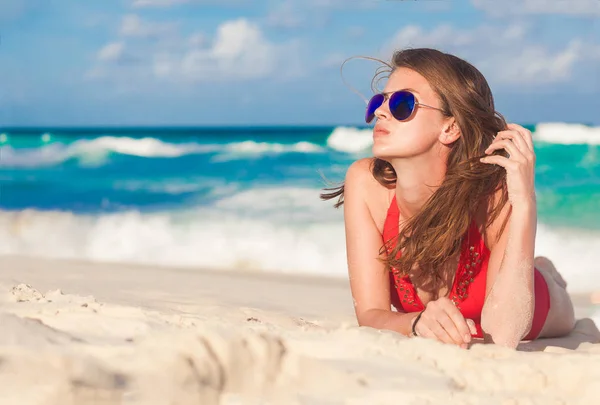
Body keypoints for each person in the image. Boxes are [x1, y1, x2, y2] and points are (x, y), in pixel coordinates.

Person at [321, 48, 576, 349]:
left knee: (560, 307)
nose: (380, 111)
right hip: (453, 323)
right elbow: (370, 314)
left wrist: (525, 204)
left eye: (403, 103)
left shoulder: (493, 194)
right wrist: (416, 323)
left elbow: (505, 336)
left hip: (516, 300)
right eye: (380, 101)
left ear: (450, 127)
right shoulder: (365, 183)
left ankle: (545, 272)